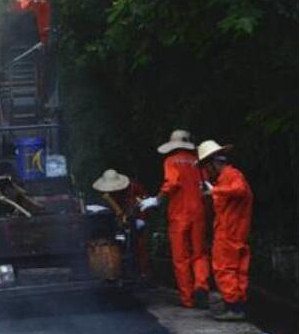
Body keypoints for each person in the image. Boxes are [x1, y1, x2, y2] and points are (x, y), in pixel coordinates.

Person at [139, 130, 209, 308]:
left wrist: (157, 199)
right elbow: (205, 187)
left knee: (181, 257)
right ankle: (201, 285)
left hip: (179, 214)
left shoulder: (171, 161)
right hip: (198, 212)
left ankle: (188, 298)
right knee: (199, 253)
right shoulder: (198, 163)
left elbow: (172, 182)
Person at [197, 140, 253, 321]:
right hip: (236, 231)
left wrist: (215, 191)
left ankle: (233, 307)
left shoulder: (231, 176)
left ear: (213, 164)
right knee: (238, 270)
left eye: (207, 167)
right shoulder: (227, 178)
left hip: (229, 232)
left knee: (224, 269)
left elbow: (240, 190)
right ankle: (237, 305)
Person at [92, 169, 151, 280]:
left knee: (140, 247)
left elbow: (144, 201)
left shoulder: (133, 187)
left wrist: (140, 217)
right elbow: (113, 207)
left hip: (136, 219)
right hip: (119, 220)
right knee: (118, 245)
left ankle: (144, 274)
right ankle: (121, 271)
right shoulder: (108, 194)